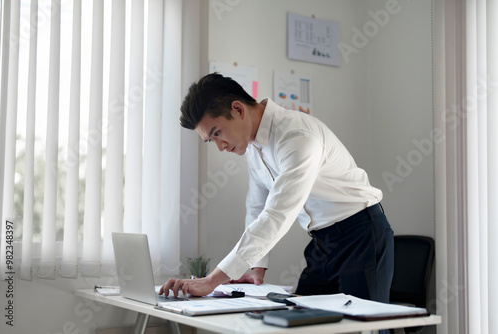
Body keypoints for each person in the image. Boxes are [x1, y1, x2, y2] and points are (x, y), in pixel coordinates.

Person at [159, 73, 394, 303]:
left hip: (362, 234)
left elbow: (277, 214)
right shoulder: (252, 146)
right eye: (212, 140)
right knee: (305, 321)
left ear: (238, 110)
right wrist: (256, 266)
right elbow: (257, 206)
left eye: (217, 133)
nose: (220, 146)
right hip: (323, 242)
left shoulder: (296, 136)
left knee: (364, 326)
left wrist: (213, 280)